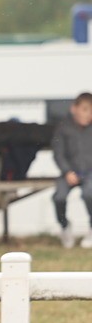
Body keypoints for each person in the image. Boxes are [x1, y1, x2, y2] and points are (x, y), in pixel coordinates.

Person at [52, 91, 92, 249]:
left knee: (89, 193)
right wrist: (67, 171)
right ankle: (65, 226)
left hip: (90, 173)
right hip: (68, 173)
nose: (89, 114)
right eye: (85, 109)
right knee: (59, 197)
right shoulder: (62, 129)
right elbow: (58, 153)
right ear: (73, 108)